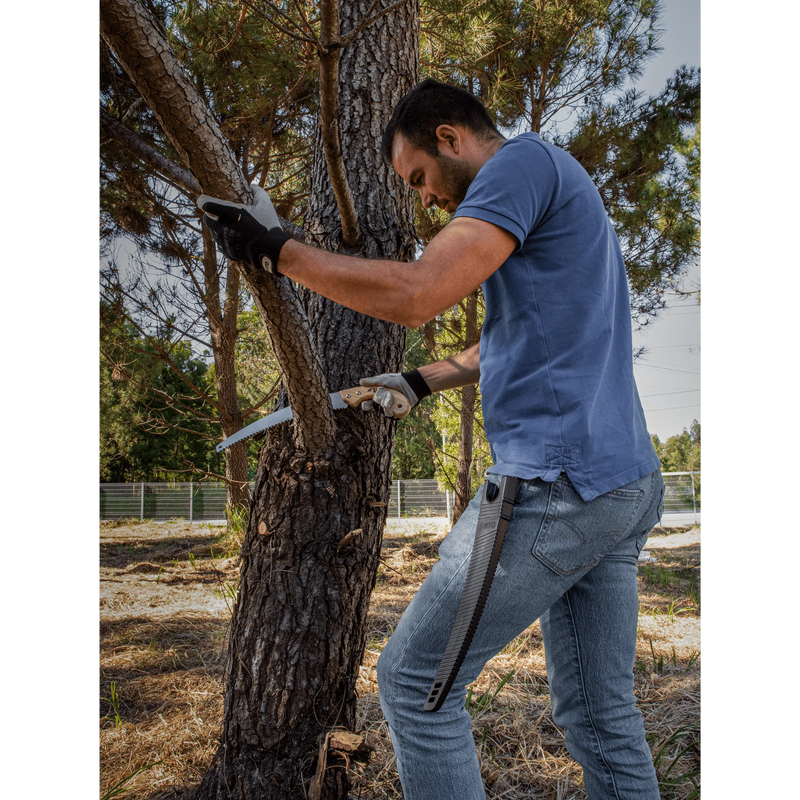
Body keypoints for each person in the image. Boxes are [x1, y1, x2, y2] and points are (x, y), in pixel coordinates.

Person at [198, 78, 666, 800]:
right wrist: (420, 381)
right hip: (620, 484)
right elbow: (515, 341)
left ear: (451, 137)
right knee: (601, 715)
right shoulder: (556, 188)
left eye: (418, 177)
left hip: (558, 483)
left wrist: (277, 251)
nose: (423, 199)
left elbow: (419, 294)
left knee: (416, 684)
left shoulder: (521, 164)